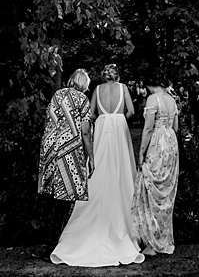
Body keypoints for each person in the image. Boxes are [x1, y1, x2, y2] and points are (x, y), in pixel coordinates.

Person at [50, 63, 145, 266]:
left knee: (99, 166)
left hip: (102, 127)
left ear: (103, 76)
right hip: (119, 128)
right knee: (122, 170)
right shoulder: (123, 89)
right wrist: (118, 117)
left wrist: (104, 118)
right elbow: (131, 112)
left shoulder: (97, 90)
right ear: (117, 76)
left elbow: (91, 114)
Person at [131, 76, 179, 255]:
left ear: (150, 84)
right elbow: (175, 126)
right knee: (166, 191)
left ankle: (151, 242)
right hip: (171, 144)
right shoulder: (172, 100)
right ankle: (163, 239)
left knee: (151, 188)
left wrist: (141, 152)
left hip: (158, 142)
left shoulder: (153, 99)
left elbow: (148, 128)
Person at [37, 68, 94, 207]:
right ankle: (63, 225)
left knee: (50, 191)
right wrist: (91, 157)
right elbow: (85, 132)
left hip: (50, 144)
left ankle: (49, 222)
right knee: (68, 193)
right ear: (84, 84)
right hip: (69, 148)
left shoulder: (57, 94)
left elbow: (49, 119)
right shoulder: (83, 100)